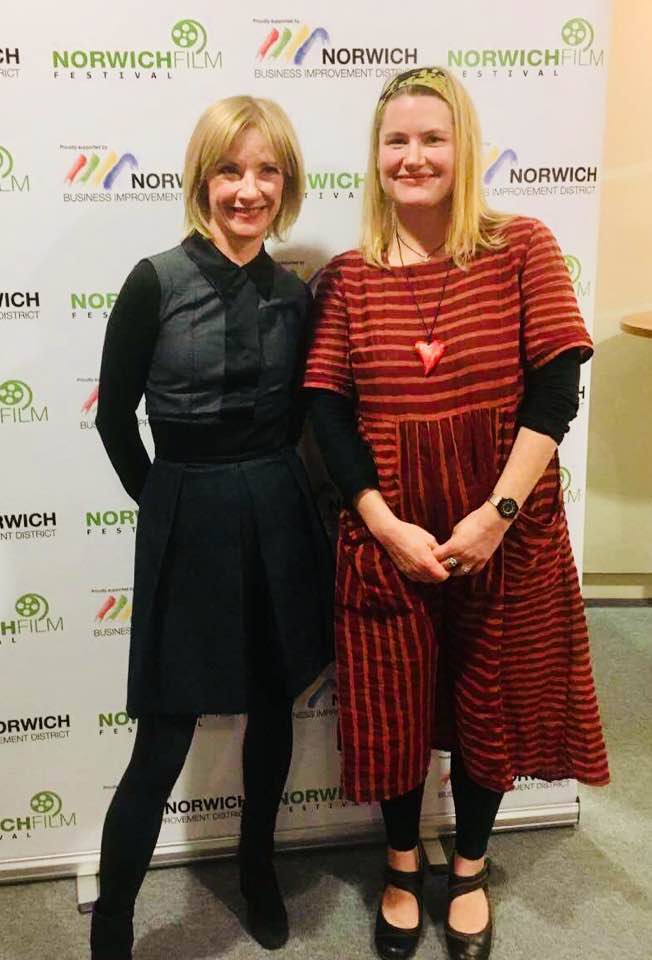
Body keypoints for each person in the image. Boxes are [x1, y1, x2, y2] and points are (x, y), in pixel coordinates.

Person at [305, 67, 609, 960]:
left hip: (503, 534)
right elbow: (326, 410)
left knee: (489, 706)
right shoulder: (349, 277)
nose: (414, 156)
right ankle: (403, 865)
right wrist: (385, 524)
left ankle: (468, 865)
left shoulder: (523, 246)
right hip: (386, 536)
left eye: (432, 139)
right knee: (395, 712)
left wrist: (495, 514)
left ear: (463, 147)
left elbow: (556, 390)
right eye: (396, 141)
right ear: (376, 156)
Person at [91, 95, 333, 959]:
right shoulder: (153, 281)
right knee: (164, 735)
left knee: (274, 708)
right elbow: (116, 422)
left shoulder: (295, 293)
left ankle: (256, 867)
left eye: (267, 170)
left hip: (278, 513)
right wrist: (166, 507)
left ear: (287, 183)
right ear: (203, 178)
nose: (248, 188)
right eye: (231, 169)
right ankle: (115, 920)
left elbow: (313, 419)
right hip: (187, 514)